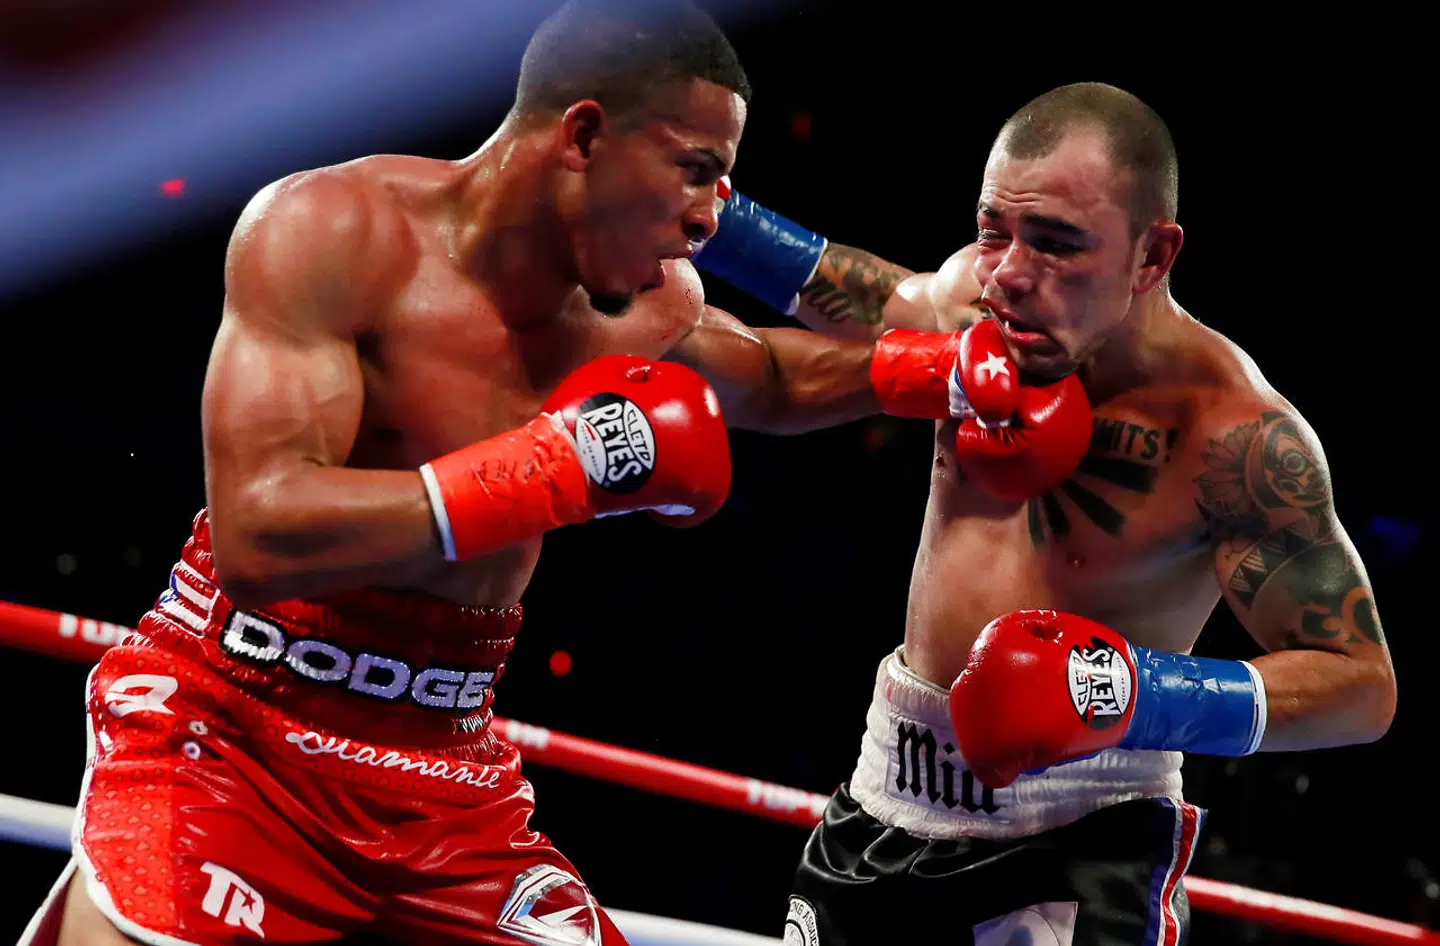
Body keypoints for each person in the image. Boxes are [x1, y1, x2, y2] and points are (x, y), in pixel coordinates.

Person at [23, 3, 896, 944]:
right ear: (585, 135)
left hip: (443, 769)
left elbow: (768, 375)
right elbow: (258, 533)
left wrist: (929, 373)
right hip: (239, 728)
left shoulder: (648, 303)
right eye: (696, 172)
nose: (709, 220)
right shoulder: (334, 232)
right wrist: (548, 470)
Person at [691, 82, 1397, 945]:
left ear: (1152, 255)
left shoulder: (1230, 435)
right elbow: (828, 284)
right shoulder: (973, 305)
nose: (1009, 275)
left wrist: (1132, 692)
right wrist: (686, 198)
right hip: (886, 794)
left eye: (1059, 245)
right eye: (994, 229)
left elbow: (1361, 687)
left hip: (1081, 833)